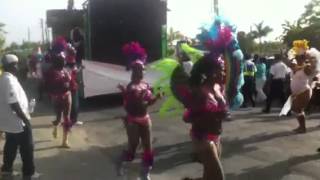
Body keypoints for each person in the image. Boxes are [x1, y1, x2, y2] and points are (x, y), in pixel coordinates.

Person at [183, 55, 226, 180]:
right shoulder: (200, 92)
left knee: (209, 176)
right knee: (218, 177)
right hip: (203, 139)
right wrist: (211, 115)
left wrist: (220, 114)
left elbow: (220, 112)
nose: (224, 72)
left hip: (216, 137)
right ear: (210, 72)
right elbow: (186, 117)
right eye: (221, 69)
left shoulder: (219, 89)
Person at [0, 54, 38, 179]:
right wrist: (25, 119)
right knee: (27, 147)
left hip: (11, 122)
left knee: (11, 145)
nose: (18, 67)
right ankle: (29, 173)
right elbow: (13, 103)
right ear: (12, 65)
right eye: (16, 64)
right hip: (18, 122)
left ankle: (7, 169)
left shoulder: (5, 78)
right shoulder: (9, 80)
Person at [45, 53, 72, 148]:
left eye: (64, 60)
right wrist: (63, 80)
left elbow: (69, 82)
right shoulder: (50, 72)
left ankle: (65, 141)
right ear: (58, 62)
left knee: (67, 118)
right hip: (56, 98)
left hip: (67, 95)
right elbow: (49, 86)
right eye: (63, 61)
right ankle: (55, 126)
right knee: (58, 117)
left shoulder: (64, 70)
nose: (65, 62)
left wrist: (69, 78)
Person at [65, 43, 83, 126]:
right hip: (72, 87)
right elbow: (74, 72)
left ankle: (71, 120)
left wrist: (80, 68)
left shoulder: (67, 62)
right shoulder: (71, 62)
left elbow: (75, 71)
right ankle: (73, 121)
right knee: (74, 105)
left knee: (70, 105)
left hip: (69, 87)